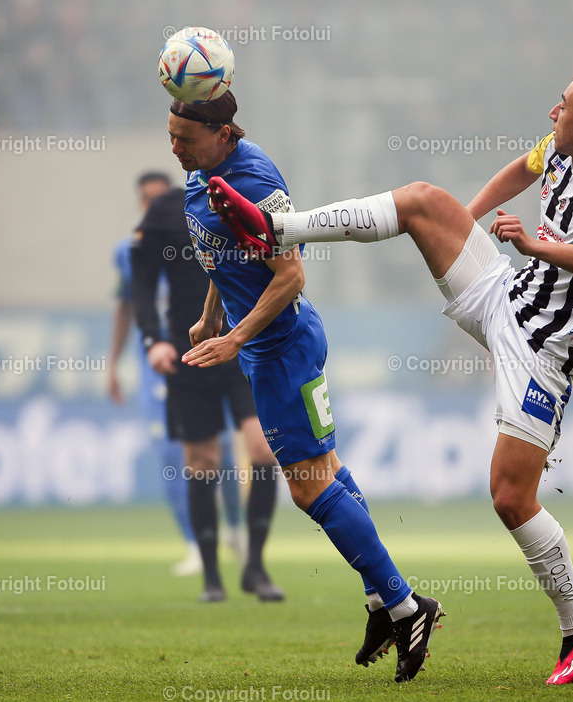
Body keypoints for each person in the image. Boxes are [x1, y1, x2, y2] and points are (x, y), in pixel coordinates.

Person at [207, 73, 573, 685]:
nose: (553, 110)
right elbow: (522, 169)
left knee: (510, 498)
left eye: (564, 106)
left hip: (545, 352)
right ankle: (280, 229)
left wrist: (532, 246)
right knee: (423, 202)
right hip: (506, 295)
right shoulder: (561, 148)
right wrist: (463, 223)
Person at [168, 91, 444, 684]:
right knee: (329, 470)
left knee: (308, 488)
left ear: (222, 134)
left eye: (185, 140)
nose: (174, 147)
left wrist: (235, 338)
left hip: (280, 351)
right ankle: (380, 601)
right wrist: (213, 310)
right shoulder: (202, 174)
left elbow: (290, 274)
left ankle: (404, 605)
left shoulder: (254, 179)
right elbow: (228, 252)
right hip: (272, 349)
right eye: (170, 135)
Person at [129, 171, 284, 603]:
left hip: (238, 345)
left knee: (262, 449)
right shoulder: (161, 218)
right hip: (188, 351)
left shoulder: (225, 197)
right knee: (203, 461)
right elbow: (139, 286)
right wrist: (152, 339)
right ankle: (212, 577)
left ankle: (255, 566)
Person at [107, 172, 199, 577]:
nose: (154, 207)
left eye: (161, 199)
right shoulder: (129, 252)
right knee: (170, 452)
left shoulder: (201, 239)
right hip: (156, 362)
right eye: (147, 200)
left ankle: (234, 533)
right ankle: (195, 544)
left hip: (204, 353)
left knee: (223, 453)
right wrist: (113, 362)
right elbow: (127, 304)